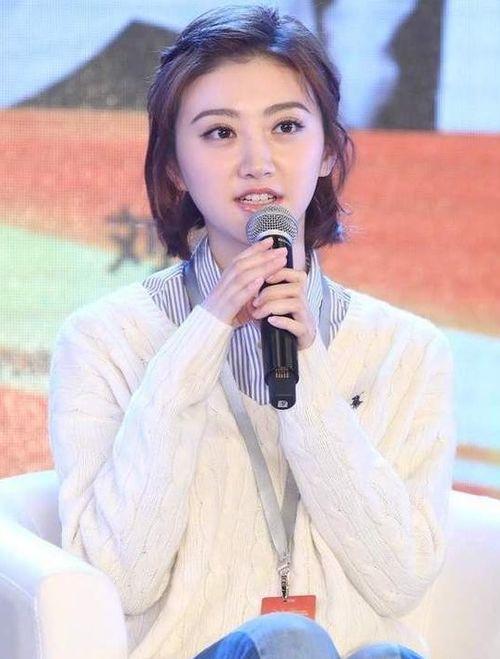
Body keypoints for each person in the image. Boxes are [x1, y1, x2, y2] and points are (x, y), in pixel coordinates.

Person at [48, 5, 457, 658]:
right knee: (288, 640)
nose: (257, 161)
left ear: (328, 151)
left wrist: (309, 370)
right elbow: (121, 579)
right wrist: (201, 336)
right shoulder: (104, 339)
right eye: (219, 133)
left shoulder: (404, 350)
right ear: (175, 165)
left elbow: (399, 579)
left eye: (286, 127)